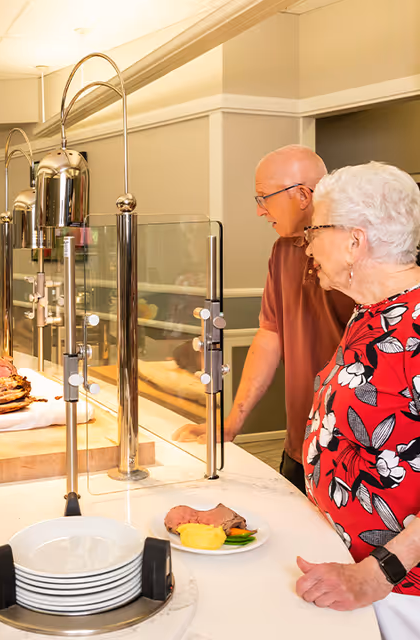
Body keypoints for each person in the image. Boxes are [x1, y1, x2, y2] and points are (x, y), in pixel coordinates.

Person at [172, 145, 354, 493]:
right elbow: (270, 335)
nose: (260, 211)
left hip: (350, 455)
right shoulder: (282, 250)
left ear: (303, 194)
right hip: (299, 444)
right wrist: (230, 423)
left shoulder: (356, 254)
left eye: (264, 198)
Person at [296, 162, 420, 637]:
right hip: (349, 569)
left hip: (398, 590)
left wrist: (378, 573)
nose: (307, 245)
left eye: (315, 231)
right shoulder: (371, 312)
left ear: (355, 240)